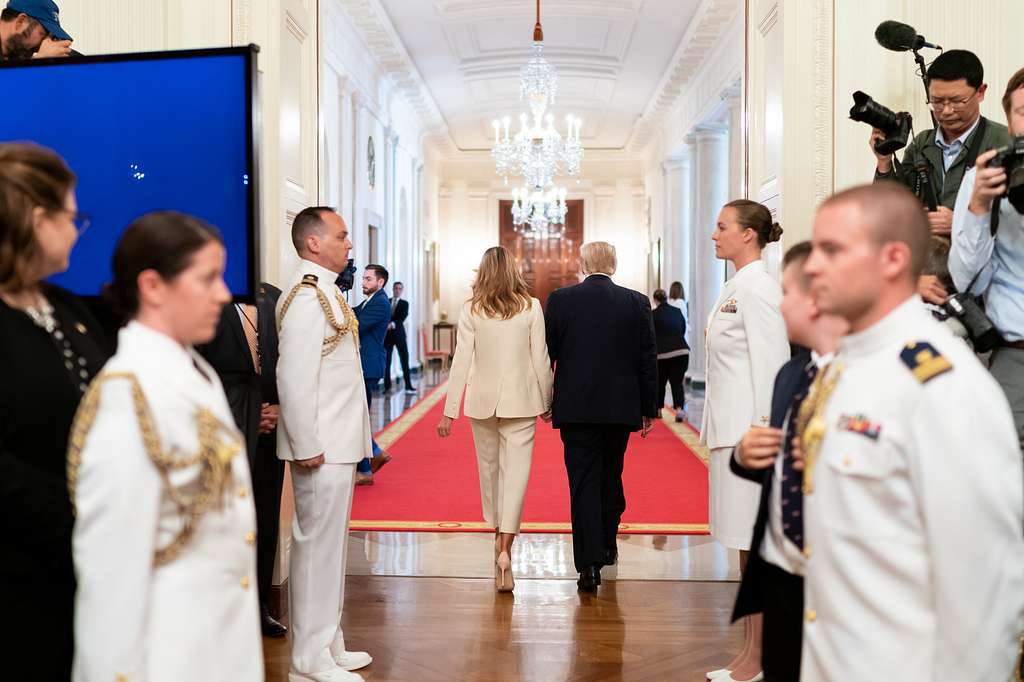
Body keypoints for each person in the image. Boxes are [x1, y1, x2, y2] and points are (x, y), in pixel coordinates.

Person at [796, 182, 1024, 680]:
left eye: (832, 250)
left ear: (893, 259)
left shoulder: (942, 386)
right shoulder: (845, 367)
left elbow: (984, 593)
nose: (812, 267)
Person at [69, 212, 263, 681]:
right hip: (165, 654)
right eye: (208, 278)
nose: (224, 293)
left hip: (216, 643)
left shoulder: (195, 370)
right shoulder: (127, 394)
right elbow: (111, 574)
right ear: (153, 286)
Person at [0, 142, 108, 681]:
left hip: (86, 568)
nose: (77, 227)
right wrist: (73, 513)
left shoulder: (67, 308)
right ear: (37, 221)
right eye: (72, 215)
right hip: (18, 575)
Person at [725, 241, 848, 682]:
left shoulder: (874, 375)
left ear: (818, 302)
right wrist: (744, 455)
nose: (781, 303)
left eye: (788, 293)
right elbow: (776, 464)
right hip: (784, 578)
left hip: (840, 584)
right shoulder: (792, 375)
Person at [276, 206, 372, 682]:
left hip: (339, 441)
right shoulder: (307, 297)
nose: (349, 244)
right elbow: (293, 377)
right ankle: (306, 661)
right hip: (320, 444)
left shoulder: (328, 292)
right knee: (314, 551)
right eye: (342, 235)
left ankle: (327, 641)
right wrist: (306, 441)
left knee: (331, 550)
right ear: (313, 242)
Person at [701, 199, 789, 682]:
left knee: (755, 549)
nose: (715, 235)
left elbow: (774, 367)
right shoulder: (737, 285)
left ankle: (760, 659)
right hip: (730, 434)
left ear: (748, 235)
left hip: (749, 439)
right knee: (744, 547)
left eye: (722, 227)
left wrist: (762, 432)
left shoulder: (758, 289)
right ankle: (751, 654)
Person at [436, 246, 553, 592]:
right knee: (515, 477)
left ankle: (496, 542)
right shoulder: (531, 307)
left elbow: (460, 361)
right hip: (521, 402)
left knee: (491, 475)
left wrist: (449, 410)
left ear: (482, 272)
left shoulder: (472, 309)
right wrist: (547, 400)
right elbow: (541, 359)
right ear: (514, 271)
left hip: (481, 403)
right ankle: (506, 550)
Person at [545, 241, 658, 592]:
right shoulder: (636, 302)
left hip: (576, 407)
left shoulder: (561, 300)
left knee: (582, 483)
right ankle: (608, 543)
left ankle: (588, 566)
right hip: (620, 407)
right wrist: (648, 408)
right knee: (612, 474)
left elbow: (546, 352)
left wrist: (545, 396)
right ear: (614, 265)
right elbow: (647, 358)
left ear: (581, 264)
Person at [871, 49, 1009, 306]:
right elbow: (891, 212)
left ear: (981, 92)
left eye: (957, 101)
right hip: (928, 281)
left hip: (986, 287)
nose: (945, 111)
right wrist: (884, 161)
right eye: (936, 102)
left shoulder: (1003, 143)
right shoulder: (922, 143)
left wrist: (958, 222)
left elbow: (1016, 223)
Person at [197, 282, 288, 638]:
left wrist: (279, 406)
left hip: (272, 424)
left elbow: (289, 359)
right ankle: (223, 612)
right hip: (226, 422)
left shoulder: (272, 297)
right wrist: (250, 414)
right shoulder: (208, 298)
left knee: (264, 518)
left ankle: (259, 606)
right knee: (225, 520)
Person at [950, 65, 1024, 451]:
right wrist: (980, 206)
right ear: (1010, 121)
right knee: (1003, 479)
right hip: (1016, 359)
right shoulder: (984, 179)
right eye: (1023, 112)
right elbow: (965, 281)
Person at [353, 263, 392, 484]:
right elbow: (352, 312)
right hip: (363, 364)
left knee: (360, 417)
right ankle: (368, 464)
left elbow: (354, 323)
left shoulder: (380, 303)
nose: (363, 282)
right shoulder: (370, 301)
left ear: (380, 282)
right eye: (364, 278)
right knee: (359, 416)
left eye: (368, 279)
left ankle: (373, 458)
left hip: (368, 365)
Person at [651, 288, 689, 422]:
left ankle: (658, 410)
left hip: (662, 355)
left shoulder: (653, 314)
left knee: (660, 382)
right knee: (677, 382)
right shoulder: (677, 311)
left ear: (655, 300)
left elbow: (651, 335)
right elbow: (682, 329)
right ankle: (679, 411)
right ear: (666, 298)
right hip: (681, 352)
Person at [0, 0, 73, 60]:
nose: (44, 44)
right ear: (21, 21)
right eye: (43, 35)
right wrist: (38, 63)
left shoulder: (12, 55)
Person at [384, 280, 416, 394]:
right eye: (395, 288)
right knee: (386, 362)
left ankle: (408, 386)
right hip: (387, 336)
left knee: (404, 359)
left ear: (402, 290)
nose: (397, 290)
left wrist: (392, 324)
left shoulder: (404, 304)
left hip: (399, 335)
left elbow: (402, 317)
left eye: (399, 288)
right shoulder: (386, 301)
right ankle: (386, 387)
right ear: (393, 289)